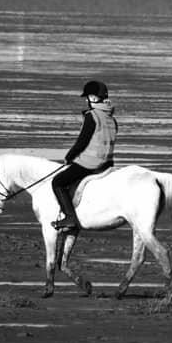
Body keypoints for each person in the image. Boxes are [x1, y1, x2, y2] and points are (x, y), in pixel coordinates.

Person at [50, 80, 118, 231]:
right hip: (107, 164)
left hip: (90, 164)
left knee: (58, 182)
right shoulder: (112, 119)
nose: (86, 101)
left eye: (87, 98)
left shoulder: (92, 116)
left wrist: (69, 157)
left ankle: (69, 218)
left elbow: (82, 142)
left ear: (93, 98)